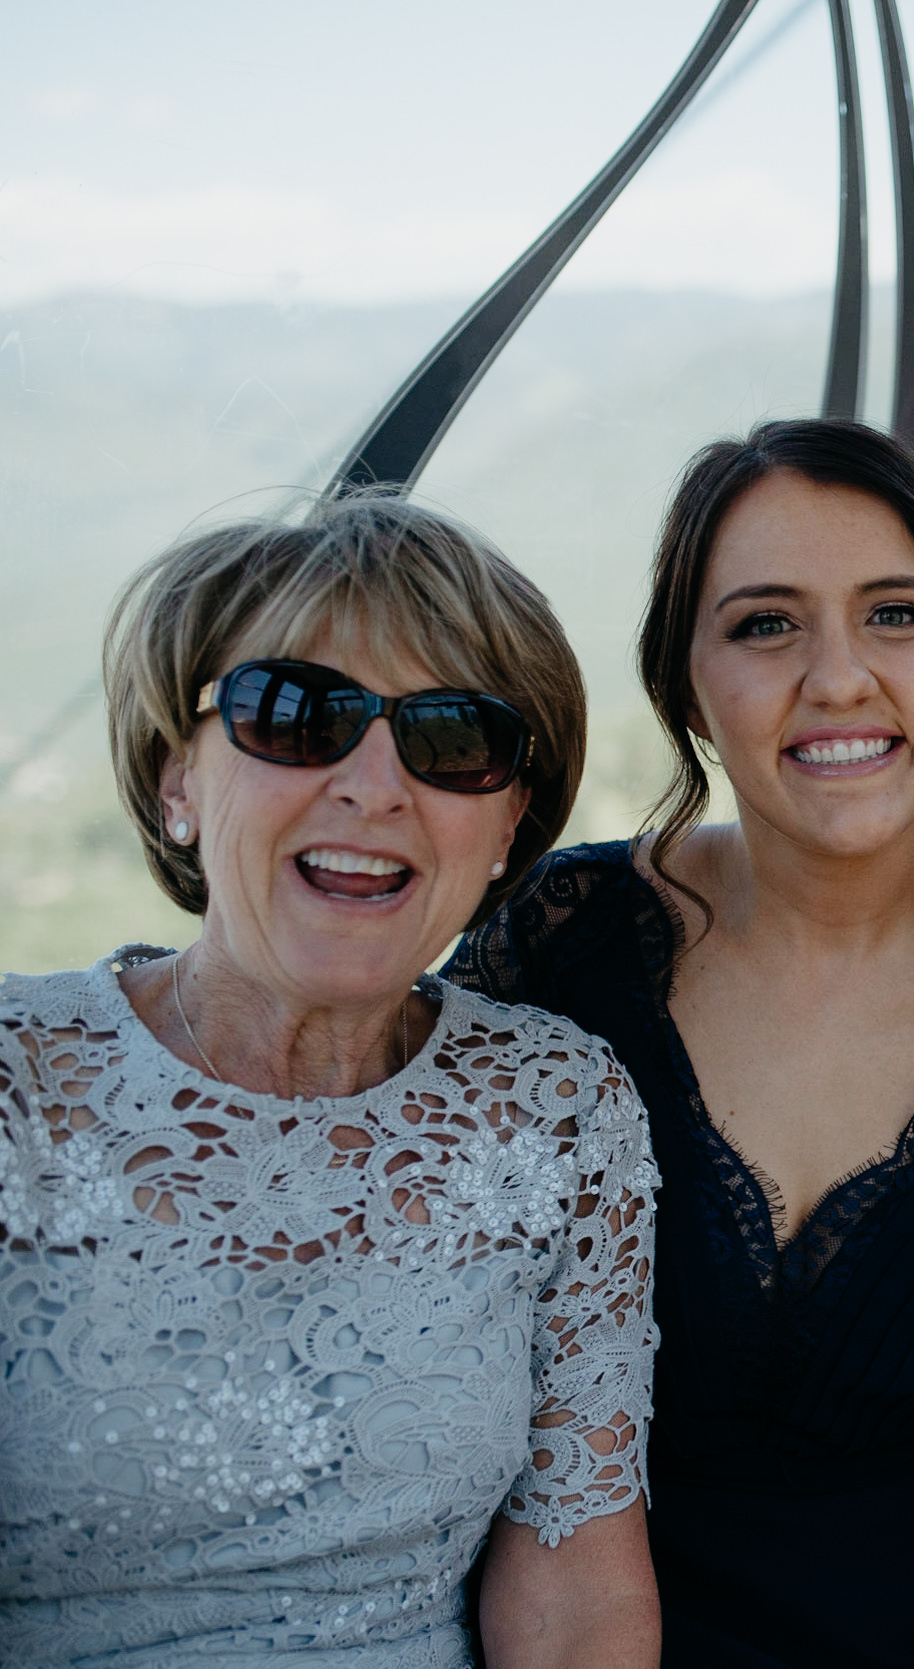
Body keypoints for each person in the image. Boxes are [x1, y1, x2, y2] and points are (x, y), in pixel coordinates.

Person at [446, 418, 914, 1669]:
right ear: (687, 680)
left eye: (896, 614)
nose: (839, 678)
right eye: (765, 624)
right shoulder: (557, 949)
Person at [0, 496, 659, 1666]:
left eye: (453, 740)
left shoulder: (560, 1113)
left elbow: (575, 1602)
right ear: (176, 781)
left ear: (507, 821)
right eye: (298, 717)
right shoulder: (17, 1086)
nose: (373, 784)